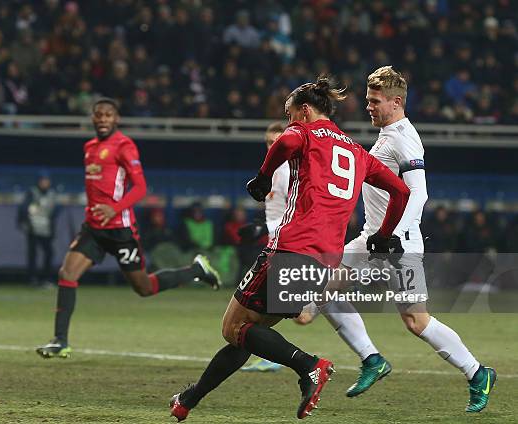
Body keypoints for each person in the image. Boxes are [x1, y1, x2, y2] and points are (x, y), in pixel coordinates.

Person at [170, 78, 410, 421]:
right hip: (325, 262)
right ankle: (189, 400)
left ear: (306, 110)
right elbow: (401, 191)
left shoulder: (306, 133)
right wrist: (384, 236)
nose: (289, 121)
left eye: (291, 114)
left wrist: (264, 176)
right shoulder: (358, 152)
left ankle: (310, 366)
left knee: (232, 328)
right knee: (249, 333)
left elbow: (287, 140)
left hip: (291, 248)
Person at [299, 66, 496, 413]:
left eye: (375, 101)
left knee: (415, 321)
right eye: (367, 100)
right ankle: (372, 359)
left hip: (396, 247)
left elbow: (417, 193)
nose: (369, 107)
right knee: (321, 290)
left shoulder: (403, 137)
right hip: (372, 242)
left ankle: (478, 373)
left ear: (396, 102)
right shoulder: (388, 135)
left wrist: (391, 237)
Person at [36, 98, 221, 359]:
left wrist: (114, 208)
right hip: (93, 229)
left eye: (108, 115)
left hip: (120, 229)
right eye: (98, 114)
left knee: (143, 287)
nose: (102, 119)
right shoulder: (89, 147)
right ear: (92, 118)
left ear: (116, 118)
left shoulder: (124, 146)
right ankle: (60, 340)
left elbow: (141, 188)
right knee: (67, 273)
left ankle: (196, 270)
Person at [240, 121, 287, 372]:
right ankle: (268, 355)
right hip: (275, 243)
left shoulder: (290, 170)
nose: (272, 147)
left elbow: (298, 212)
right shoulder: (274, 170)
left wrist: (264, 229)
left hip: (286, 246)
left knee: (261, 306)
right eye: (269, 143)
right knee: (262, 307)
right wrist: (261, 225)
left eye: (276, 143)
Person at [17, 172, 59, 287]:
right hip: (33, 227)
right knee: (33, 254)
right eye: (43, 180)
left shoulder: (52, 194)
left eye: (47, 180)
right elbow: (24, 208)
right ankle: (32, 278)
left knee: (49, 253)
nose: (45, 183)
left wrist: (52, 224)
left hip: (46, 228)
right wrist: (23, 222)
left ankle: (46, 278)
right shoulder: (32, 192)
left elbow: (55, 210)